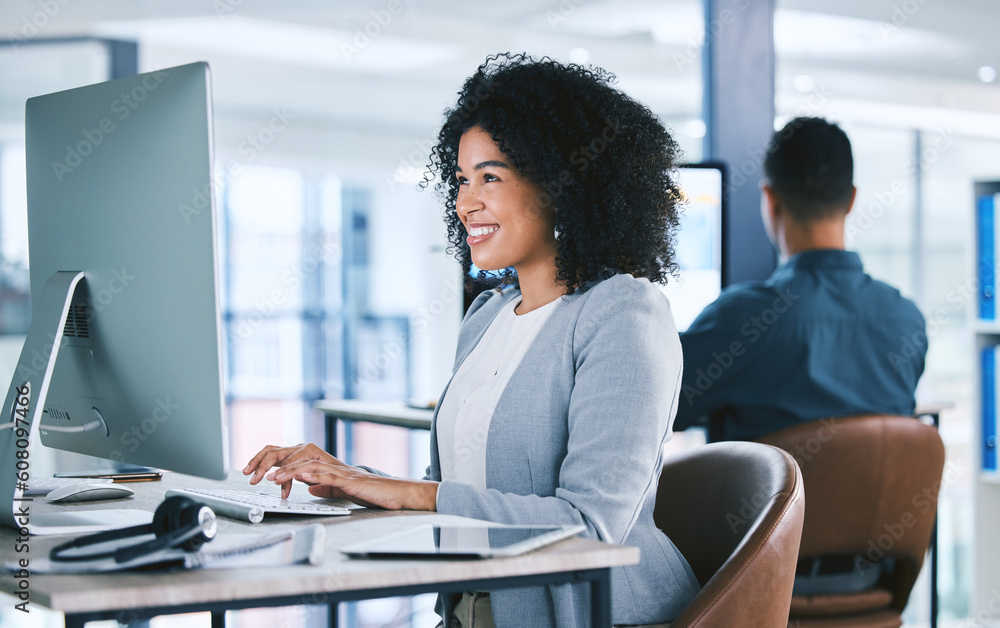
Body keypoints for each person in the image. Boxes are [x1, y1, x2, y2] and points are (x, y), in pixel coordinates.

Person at [243, 53, 700, 628]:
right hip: (469, 608)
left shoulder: (623, 313)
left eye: (491, 177)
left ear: (562, 185)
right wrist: (352, 480)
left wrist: (403, 492)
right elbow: (464, 495)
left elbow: (590, 526)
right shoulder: (487, 315)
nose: (465, 201)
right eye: (461, 180)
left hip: (590, 614)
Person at [674, 116, 927, 442]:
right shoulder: (907, 320)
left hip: (764, 496)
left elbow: (655, 409)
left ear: (770, 200)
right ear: (851, 200)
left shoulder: (740, 319)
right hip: (878, 496)